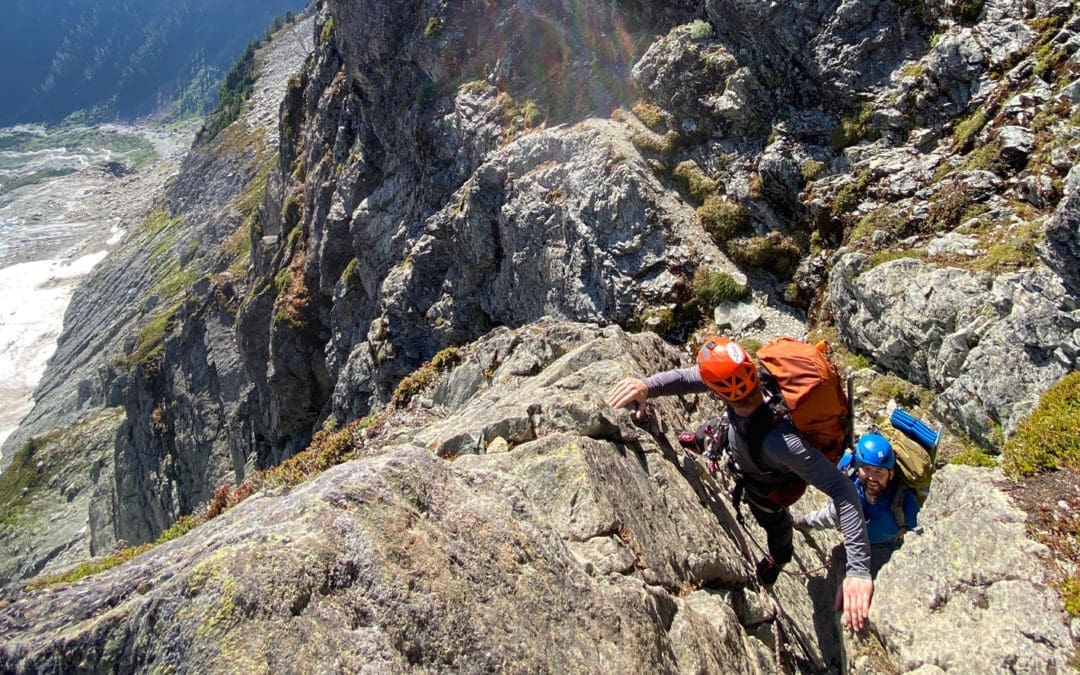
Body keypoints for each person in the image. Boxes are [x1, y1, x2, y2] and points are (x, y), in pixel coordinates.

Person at [607, 336, 875, 633]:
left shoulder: (782, 443)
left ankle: (779, 557)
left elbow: (842, 489)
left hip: (766, 486)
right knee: (715, 430)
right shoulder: (753, 378)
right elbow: (687, 378)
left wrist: (858, 570)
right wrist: (647, 386)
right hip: (741, 440)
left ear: (718, 390)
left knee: (775, 524)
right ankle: (698, 440)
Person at [796, 433, 920, 576]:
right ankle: (804, 523)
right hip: (846, 517)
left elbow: (920, 536)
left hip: (880, 547)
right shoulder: (847, 468)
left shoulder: (906, 504)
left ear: (890, 474)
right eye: (867, 469)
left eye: (879, 472)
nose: (872, 478)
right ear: (857, 466)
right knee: (831, 513)